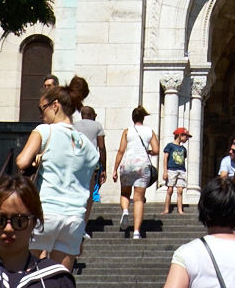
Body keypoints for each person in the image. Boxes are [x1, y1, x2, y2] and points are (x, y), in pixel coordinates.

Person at [14, 85, 99, 271]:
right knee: (61, 280)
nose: (41, 115)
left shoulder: (45, 131)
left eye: (42, 109)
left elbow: (21, 161)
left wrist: (36, 161)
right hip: (74, 218)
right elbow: (91, 191)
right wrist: (83, 223)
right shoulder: (88, 147)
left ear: (55, 106)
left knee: (25, 274)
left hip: (45, 211)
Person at [112, 106, 157, 243]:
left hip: (127, 164)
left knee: (125, 193)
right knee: (138, 199)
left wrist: (115, 169)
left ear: (132, 118)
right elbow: (156, 150)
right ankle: (136, 232)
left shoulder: (127, 131)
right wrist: (147, 152)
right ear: (143, 118)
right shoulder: (150, 131)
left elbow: (121, 151)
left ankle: (125, 210)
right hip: (142, 166)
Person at [66, 79, 105, 222]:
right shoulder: (97, 125)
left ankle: (75, 217)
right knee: (89, 191)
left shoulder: (74, 125)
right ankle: (84, 220)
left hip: (76, 161)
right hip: (92, 162)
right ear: (93, 115)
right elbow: (101, 147)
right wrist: (104, 167)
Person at [163, 126, 190, 215]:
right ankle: (166, 209)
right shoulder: (170, 146)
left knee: (180, 190)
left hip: (181, 170)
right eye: (186, 136)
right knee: (170, 189)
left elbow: (183, 158)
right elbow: (165, 157)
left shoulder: (183, 149)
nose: (187, 138)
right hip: (171, 169)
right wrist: (165, 171)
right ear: (180, 135)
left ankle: (180, 210)